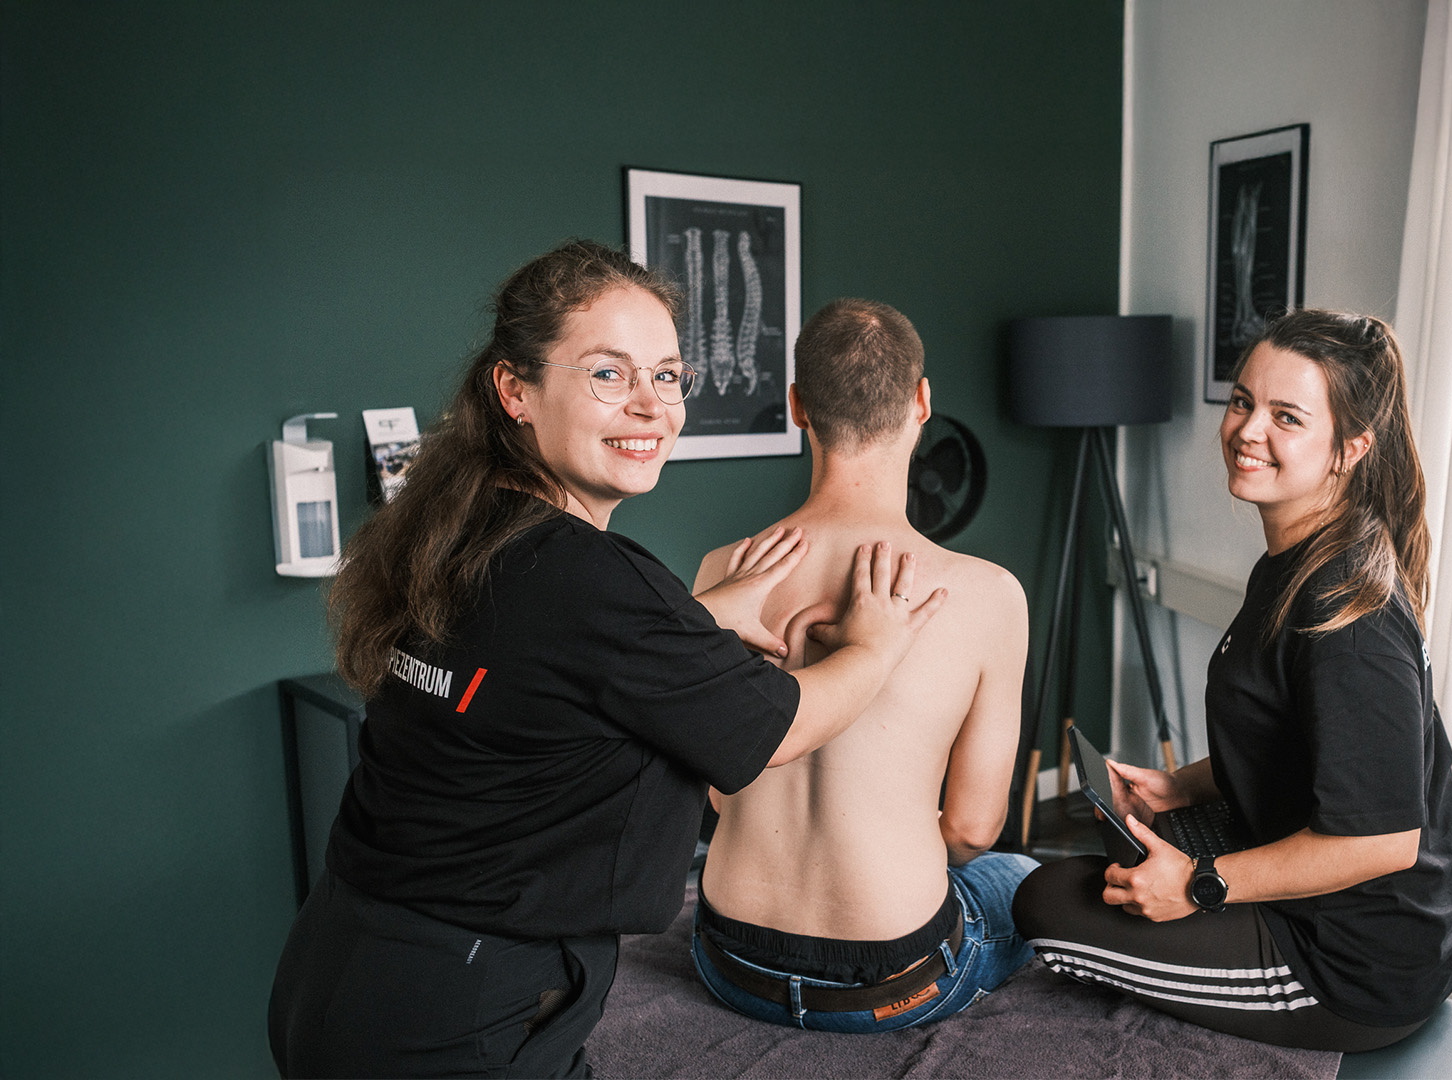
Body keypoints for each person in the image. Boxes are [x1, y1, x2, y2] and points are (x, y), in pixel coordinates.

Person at [267, 242, 945, 1079]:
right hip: (452, 1016)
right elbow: (779, 729)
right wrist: (878, 644)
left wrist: (687, 624)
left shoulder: (466, 527)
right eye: (607, 374)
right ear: (515, 389)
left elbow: (537, 673)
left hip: (342, 966)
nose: (650, 407)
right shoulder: (589, 580)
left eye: (666, 377)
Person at [1011, 309, 1452, 1053]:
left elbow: (1383, 840)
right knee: (1108, 865)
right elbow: (1297, 741)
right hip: (1341, 911)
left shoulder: (1347, 617)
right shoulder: (1296, 561)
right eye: (1242, 401)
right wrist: (1183, 788)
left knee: (1043, 901)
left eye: (1286, 416)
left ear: (1349, 448)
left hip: (1352, 967)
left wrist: (1200, 883)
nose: (1247, 429)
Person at [688, 298, 1037, 1032]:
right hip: (890, 979)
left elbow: (718, 791)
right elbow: (974, 829)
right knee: (1019, 878)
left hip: (729, 961)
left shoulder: (723, 572)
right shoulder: (988, 595)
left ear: (796, 408)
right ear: (922, 402)